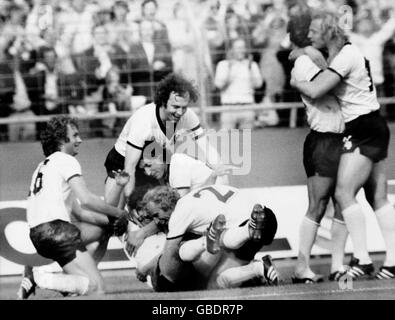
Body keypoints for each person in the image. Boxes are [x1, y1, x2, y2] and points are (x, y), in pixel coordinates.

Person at [290, 10, 395, 280]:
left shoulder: (345, 56)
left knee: (343, 194)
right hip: (371, 125)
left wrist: (294, 79)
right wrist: (308, 52)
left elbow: (315, 90)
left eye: (315, 30)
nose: (311, 34)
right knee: (377, 197)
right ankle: (390, 260)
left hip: (362, 129)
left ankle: (361, 258)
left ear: (328, 31)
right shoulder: (344, 54)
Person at [103, 73, 223, 255]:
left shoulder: (187, 116)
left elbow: (207, 148)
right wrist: (130, 205)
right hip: (123, 166)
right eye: (175, 106)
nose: (180, 112)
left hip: (153, 167)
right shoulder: (143, 121)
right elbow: (129, 170)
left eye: (184, 107)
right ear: (162, 101)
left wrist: (220, 172)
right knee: (113, 220)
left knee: (165, 212)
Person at [17, 116, 127, 299]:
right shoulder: (66, 160)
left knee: (102, 232)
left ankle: (66, 284)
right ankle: (40, 278)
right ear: (62, 139)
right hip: (58, 230)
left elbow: (78, 211)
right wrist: (119, 213)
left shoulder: (44, 166)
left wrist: (111, 222)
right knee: (97, 290)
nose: (80, 140)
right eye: (75, 135)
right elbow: (87, 200)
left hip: (39, 234)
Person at [288, 12, 349, 283]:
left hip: (339, 137)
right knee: (318, 204)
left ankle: (338, 265)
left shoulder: (314, 58)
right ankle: (302, 266)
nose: (317, 34)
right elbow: (326, 89)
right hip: (322, 139)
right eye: (312, 32)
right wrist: (312, 53)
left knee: (342, 202)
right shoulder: (304, 61)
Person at [134, 184, 278, 291]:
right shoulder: (194, 197)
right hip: (265, 217)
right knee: (220, 274)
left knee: (213, 283)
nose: (157, 222)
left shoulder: (179, 214)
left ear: (166, 206)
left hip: (239, 223)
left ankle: (256, 267)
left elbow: (169, 255)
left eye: (156, 215)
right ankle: (256, 257)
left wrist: (145, 268)